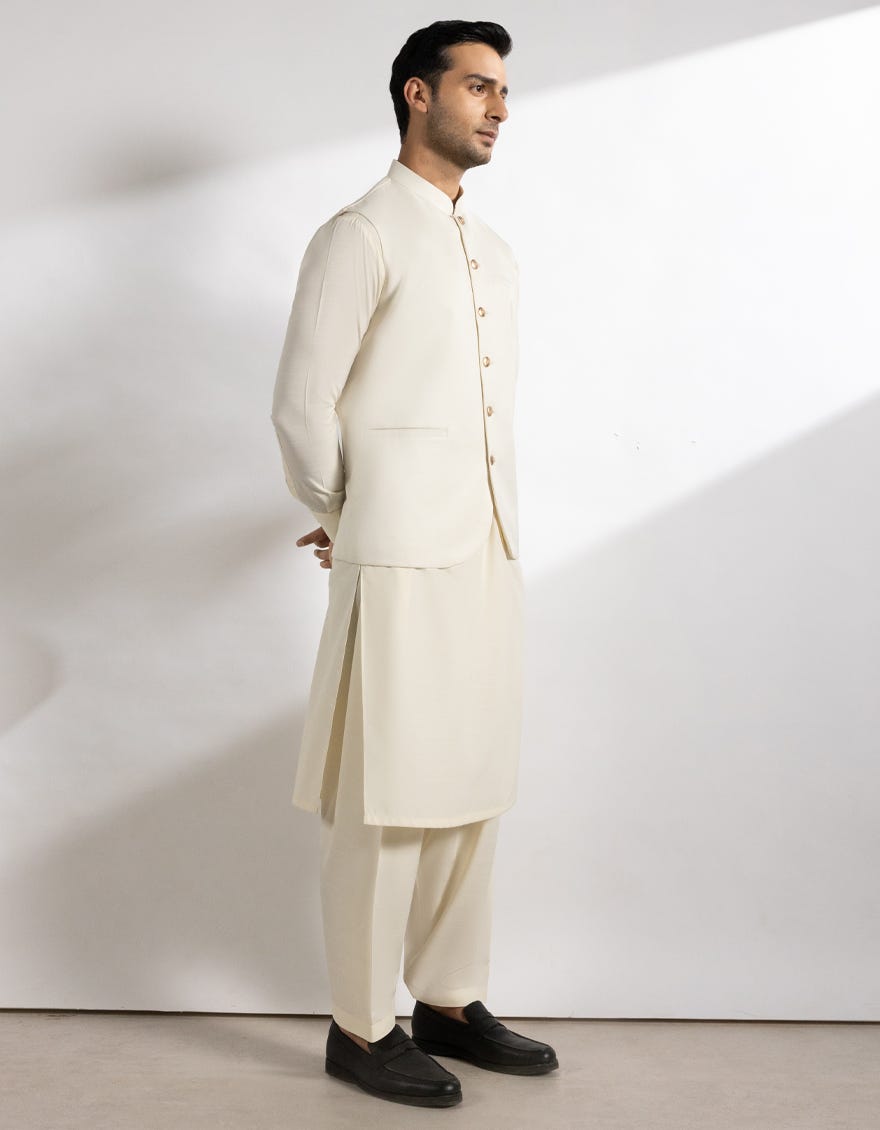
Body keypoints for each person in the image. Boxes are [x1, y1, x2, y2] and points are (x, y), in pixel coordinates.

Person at [270, 19, 559, 1109]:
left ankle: (447, 996)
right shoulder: (360, 234)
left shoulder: (493, 251)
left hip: (487, 546)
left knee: (471, 784)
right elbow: (302, 405)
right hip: (395, 554)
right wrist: (344, 508)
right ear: (416, 94)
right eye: (478, 87)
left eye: (504, 92)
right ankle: (360, 1024)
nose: (498, 108)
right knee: (385, 792)